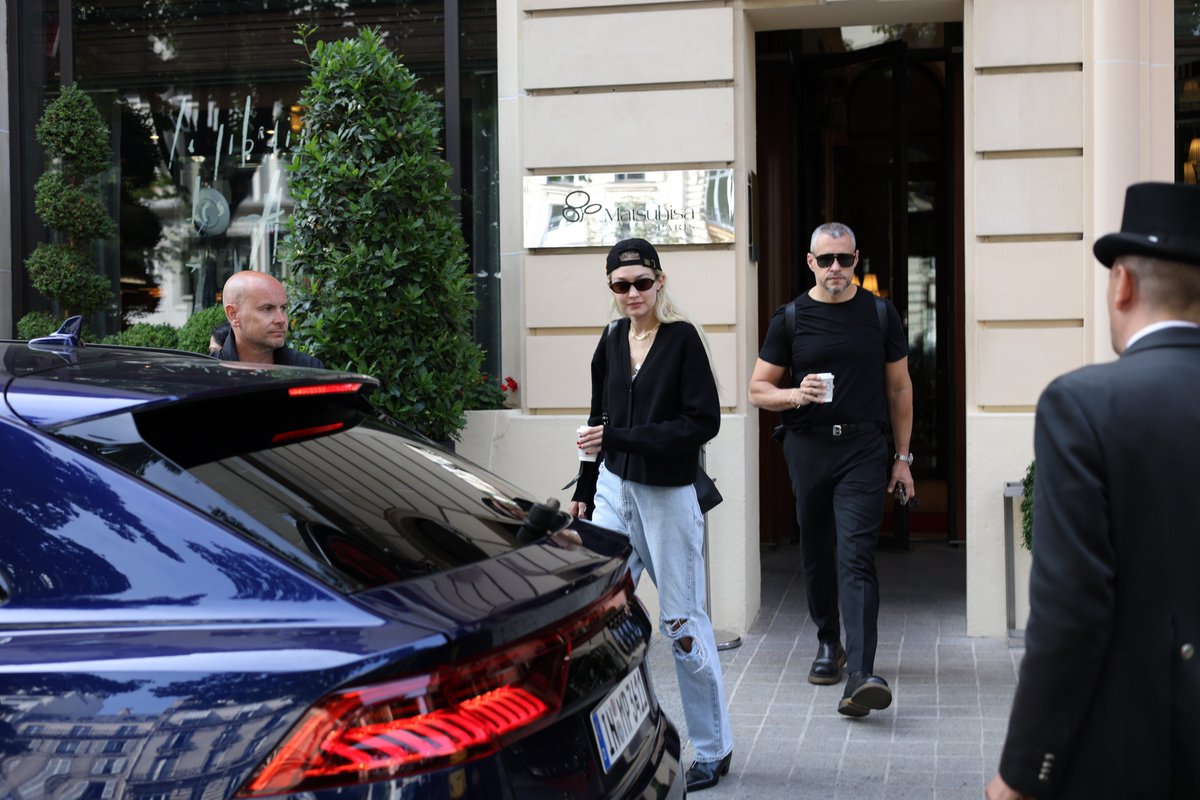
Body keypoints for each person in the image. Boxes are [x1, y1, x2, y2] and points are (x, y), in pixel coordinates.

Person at [986, 182, 1200, 799]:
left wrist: (1024, 771)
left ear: (1122, 285)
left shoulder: (1084, 405)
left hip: (1139, 753)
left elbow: (1070, 611)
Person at [568, 238, 734, 792]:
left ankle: (713, 748)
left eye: (642, 282)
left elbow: (702, 423)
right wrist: (585, 488)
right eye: (622, 285)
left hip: (666, 494)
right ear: (611, 288)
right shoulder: (611, 339)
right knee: (598, 613)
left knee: (682, 623)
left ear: (660, 281)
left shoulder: (682, 339)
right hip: (614, 488)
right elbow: (598, 418)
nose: (632, 293)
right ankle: (609, 740)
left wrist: (620, 437)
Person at [748, 221, 913, 717]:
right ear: (811, 263)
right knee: (817, 549)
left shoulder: (880, 314)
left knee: (856, 554)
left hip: (864, 446)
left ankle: (861, 674)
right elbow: (758, 390)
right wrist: (796, 395)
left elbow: (899, 388)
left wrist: (902, 458)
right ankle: (828, 641)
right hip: (809, 446)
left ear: (856, 259)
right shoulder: (790, 318)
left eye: (844, 258)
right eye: (826, 260)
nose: (835, 267)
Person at [216, 270, 323, 367]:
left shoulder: (308, 368)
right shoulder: (210, 373)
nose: (281, 320)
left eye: (283, 308)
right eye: (267, 309)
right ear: (233, 314)